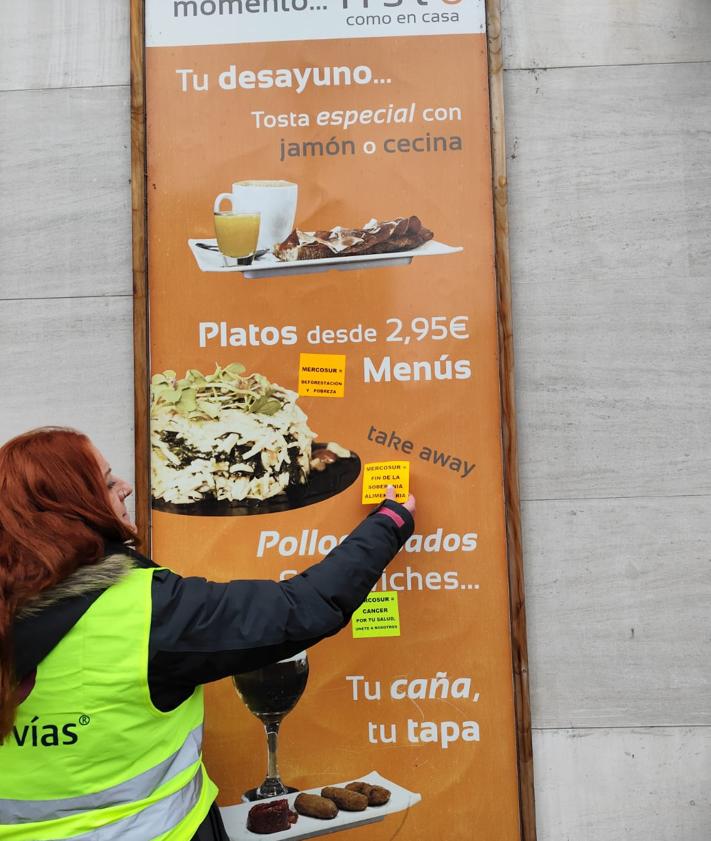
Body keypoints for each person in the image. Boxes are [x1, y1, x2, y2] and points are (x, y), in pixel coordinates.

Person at [0, 427, 416, 841]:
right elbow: (304, 606)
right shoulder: (143, 610)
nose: (126, 487)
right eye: (107, 482)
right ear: (72, 509)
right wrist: (391, 522)